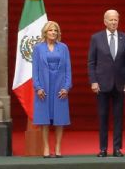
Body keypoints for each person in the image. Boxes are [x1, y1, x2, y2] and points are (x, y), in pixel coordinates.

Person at [87, 9, 125, 157]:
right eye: (111, 20)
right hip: (102, 84)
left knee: (118, 117)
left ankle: (117, 148)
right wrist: (93, 81)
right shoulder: (96, 38)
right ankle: (102, 148)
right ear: (105, 21)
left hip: (120, 84)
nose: (113, 22)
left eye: (116, 20)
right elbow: (91, 62)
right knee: (103, 117)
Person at [32, 21, 72, 158]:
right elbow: (35, 70)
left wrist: (66, 87)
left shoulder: (64, 48)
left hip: (59, 86)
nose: (53, 33)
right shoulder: (38, 48)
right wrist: (38, 87)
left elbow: (68, 70)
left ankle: (58, 147)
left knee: (59, 119)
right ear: (45, 32)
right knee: (44, 120)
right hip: (44, 87)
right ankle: (46, 148)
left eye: (55, 30)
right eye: (50, 30)